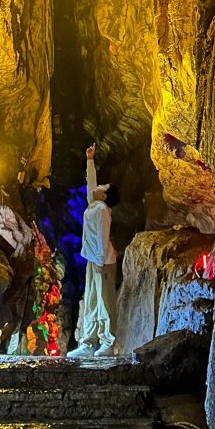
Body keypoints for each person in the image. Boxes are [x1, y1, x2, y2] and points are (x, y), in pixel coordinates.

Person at [68, 142, 119, 359]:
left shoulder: (102, 211)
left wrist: (99, 260)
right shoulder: (94, 205)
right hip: (93, 259)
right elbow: (91, 184)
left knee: (104, 302)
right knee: (90, 300)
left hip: (102, 261)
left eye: (103, 186)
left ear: (105, 196)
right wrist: (89, 160)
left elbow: (102, 237)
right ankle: (88, 342)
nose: (100, 186)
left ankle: (107, 342)